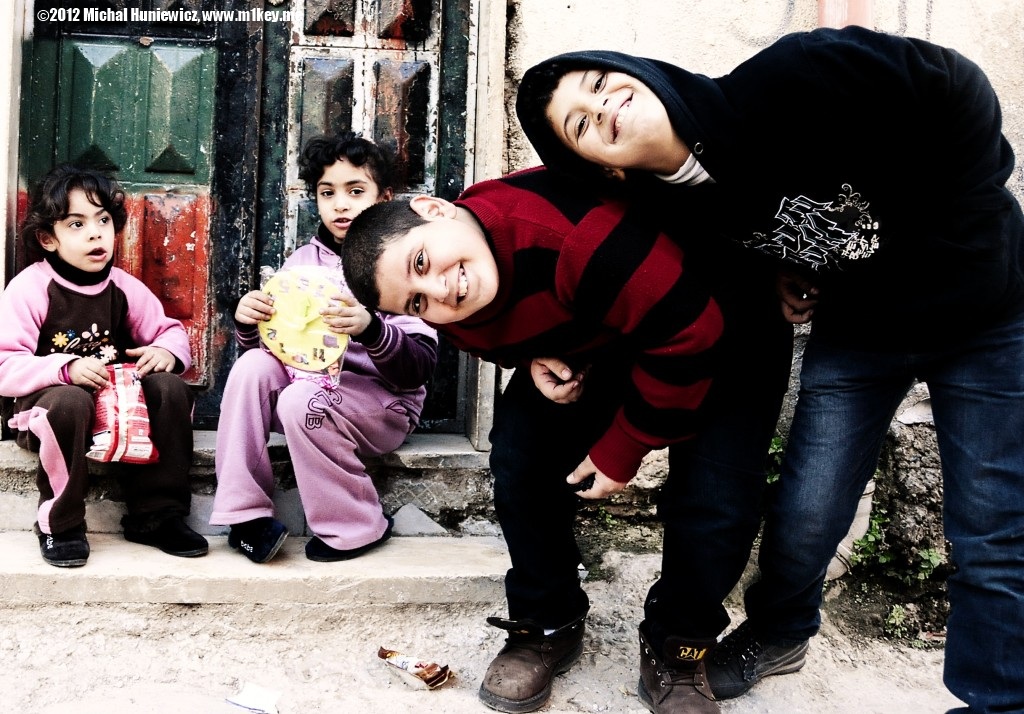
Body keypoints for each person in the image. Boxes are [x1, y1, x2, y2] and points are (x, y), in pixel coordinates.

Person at [515, 25, 1024, 714]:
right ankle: (782, 633)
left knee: (990, 536)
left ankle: (997, 704)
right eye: (581, 121)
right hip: (863, 332)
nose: (603, 106)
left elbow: (959, 83)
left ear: (637, 70)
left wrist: (963, 216)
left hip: (989, 317)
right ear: (600, 165)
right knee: (807, 511)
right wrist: (790, 268)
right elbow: (545, 237)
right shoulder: (671, 207)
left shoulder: (798, 75)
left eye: (602, 83)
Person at [341, 163, 793, 714]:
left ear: (435, 209)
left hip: (720, 323)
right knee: (522, 459)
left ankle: (679, 646)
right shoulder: (453, 288)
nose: (440, 291)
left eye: (421, 262)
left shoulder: (569, 238)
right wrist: (527, 356)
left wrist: (623, 446)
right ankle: (546, 621)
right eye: (415, 303)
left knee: (718, 497)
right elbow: (479, 330)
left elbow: (691, 333)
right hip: (608, 326)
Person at [209, 132, 437, 563]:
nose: (341, 204)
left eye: (356, 191)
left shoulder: (402, 263)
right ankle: (244, 517)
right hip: (307, 390)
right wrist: (249, 324)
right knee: (252, 367)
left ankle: (356, 525)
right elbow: (279, 352)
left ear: (384, 197)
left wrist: (371, 329)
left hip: (381, 406)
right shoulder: (301, 265)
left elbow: (419, 367)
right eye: (327, 193)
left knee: (301, 398)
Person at [0, 165, 208, 568]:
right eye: (76, 224)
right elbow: (5, 363)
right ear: (48, 238)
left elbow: (170, 333)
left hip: (119, 416)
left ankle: (157, 515)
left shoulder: (123, 287)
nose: (96, 233)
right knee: (69, 401)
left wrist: (166, 351)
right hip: (48, 412)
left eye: (103, 220)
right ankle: (60, 523)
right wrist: (65, 369)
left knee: (169, 387)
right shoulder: (31, 287)